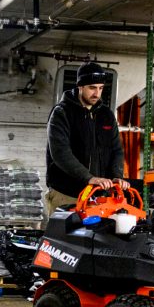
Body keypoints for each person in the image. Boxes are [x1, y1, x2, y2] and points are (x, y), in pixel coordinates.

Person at [44, 61, 127, 217]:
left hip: (97, 196)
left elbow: (116, 150)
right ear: (80, 86)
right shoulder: (62, 113)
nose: (97, 93)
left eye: (100, 88)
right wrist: (88, 178)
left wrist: (117, 176)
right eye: (92, 88)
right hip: (67, 194)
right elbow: (61, 153)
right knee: (64, 239)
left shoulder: (106, 115)